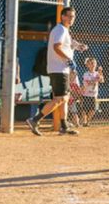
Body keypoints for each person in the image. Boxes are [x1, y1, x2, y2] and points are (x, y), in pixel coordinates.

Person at [25, 7, 86, 136]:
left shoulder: (64, 30)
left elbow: (66, 44)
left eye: (73, 16)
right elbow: (56, 47)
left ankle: (64, 126)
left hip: (60, 69)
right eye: (69, 16)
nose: (71, 19)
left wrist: (78, 46)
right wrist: (68, 59)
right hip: (59, 69)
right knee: (60, 98)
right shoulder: (60, 29)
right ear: (62, 16)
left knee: (65, 98)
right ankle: (34, 120)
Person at [80, 56, 104, 125]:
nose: (93, 65)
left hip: (94, 94)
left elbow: (102, 80)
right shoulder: (86, 74)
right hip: (86, 94)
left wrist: (100, 72)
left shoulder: (97, 73)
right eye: (91, 63)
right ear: (87, 65)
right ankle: (84, 121)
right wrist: (97, 79)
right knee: (84, 109)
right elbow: (89, 83)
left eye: (94, 63)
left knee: (93, 110)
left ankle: (87, 121)